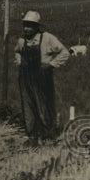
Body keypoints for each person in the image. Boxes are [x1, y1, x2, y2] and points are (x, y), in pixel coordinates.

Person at [14, 10, 69, 143]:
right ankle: (33, 136)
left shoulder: (47, 38)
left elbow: (64, 52)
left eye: (30, 25)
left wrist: (51, 64)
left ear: (37, 26)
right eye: (25, 25)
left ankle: (49, 135)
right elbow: (17, 52)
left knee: (44, 106)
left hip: (42, 78)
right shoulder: (22, 41)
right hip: (25, 78)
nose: (27, 29)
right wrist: (19, 61)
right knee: (28, 107)